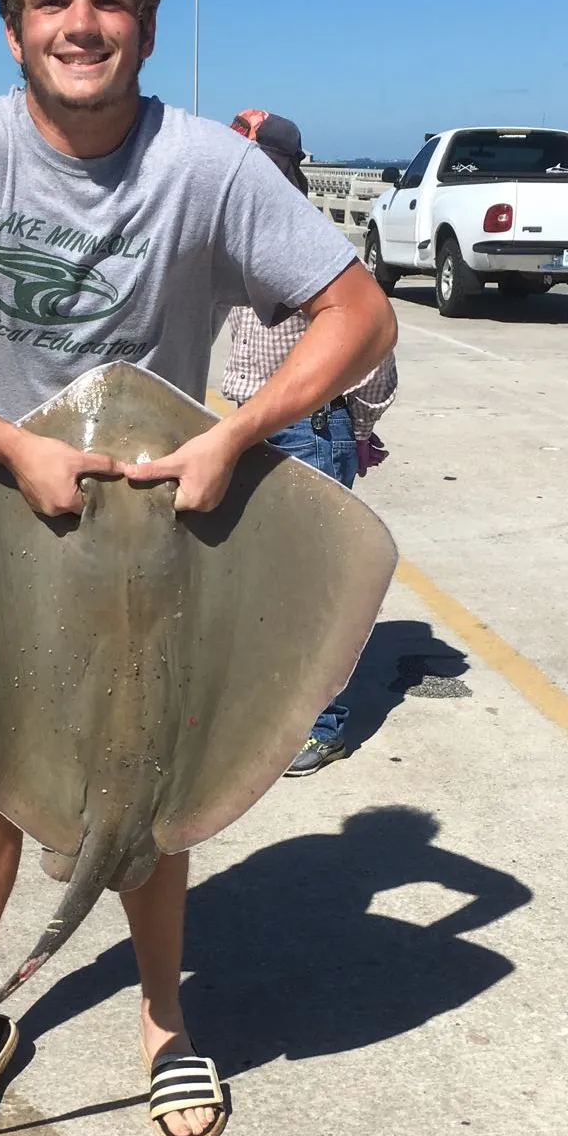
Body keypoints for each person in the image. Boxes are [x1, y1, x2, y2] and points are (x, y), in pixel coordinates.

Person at [0, 0, 397, 1136]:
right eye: (50, 0)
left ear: (145, 20)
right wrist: (2, 442)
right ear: (14, 24)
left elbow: (361, 317)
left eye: (110, 0)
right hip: (1, 516)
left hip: (167, 523)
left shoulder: (207, 169)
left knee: (158, 775)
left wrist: (236, 432)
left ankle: (163, 1022)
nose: (80, 25)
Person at [222, 108, 398, 780]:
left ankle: (322, 727)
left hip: (308, 432)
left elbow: (373, 342)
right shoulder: (237, 244)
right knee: (262, 584)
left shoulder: (315, 248)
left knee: (313, 588)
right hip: (249, 428)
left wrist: (356, 427)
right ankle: (272, 713)